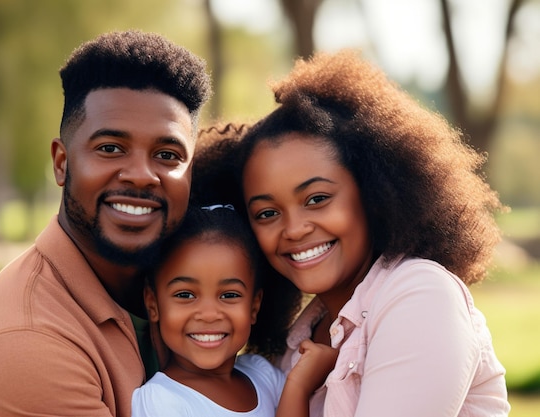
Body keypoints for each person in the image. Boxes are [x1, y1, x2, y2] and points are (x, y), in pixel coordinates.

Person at [199, 51, 511, 416]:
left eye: (317, 199)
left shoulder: (420, 294)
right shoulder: (301, 337)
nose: (295, 228)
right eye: (267, 213)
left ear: (372, 192)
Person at [0, 30, 212, 417]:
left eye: (167, 154)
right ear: (62, 163)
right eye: (110, 148)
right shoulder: (24, 343)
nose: (140, 175)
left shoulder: (193, 288)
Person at [131, 204, 335, 417]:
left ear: (254, 307)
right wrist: (298, 388)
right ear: (153, 304)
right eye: (185, 295)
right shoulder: (162, 401)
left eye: (229, 295)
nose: (209, 315)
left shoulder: (262, 375)